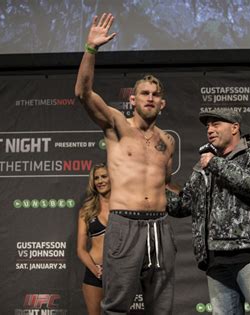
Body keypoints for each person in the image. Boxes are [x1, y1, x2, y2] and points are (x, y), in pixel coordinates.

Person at [75, 13, 176, 315]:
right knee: (117, 306)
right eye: (144, 93)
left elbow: (167, 184)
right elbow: (83, 93)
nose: (150, 98)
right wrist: (91, 49)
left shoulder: (167, 141)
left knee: (162, 307)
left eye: (155, 95)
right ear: (132, 99)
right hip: (124, 224)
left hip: (159, 226)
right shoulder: (117, 125)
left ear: (163, 103)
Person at [168, 108, 250, 315]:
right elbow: (184, 204)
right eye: (208, 126)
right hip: (215, 257)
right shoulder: (203, 166)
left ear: (235, 127)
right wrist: (151, 193)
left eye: (216, 124)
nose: (210, 130)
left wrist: (215, 163)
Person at [77, 163, 110, 315]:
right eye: (96, 178)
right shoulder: (87, 210)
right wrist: (96, 271)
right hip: (94, 271)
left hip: (120, 272)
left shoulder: (124, 206)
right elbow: (81, 249)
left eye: (104, 176)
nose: (100, 181)